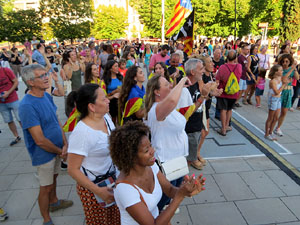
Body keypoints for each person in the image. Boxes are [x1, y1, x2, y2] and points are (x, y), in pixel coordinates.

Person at [111, 120, 206, 225]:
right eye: (146, 150)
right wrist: (180, 195)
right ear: (130, 157)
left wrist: (187, 190)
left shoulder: (150, 166)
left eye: (150, 146)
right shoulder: (125, 189)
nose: (153, 151)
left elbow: (169, 189)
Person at [19, 64, 73, 225]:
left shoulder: (46, 95)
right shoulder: (27, 105)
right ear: (30, 82)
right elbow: (39, 139)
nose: (46, 78)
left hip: (57, 149)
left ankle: (54, 202)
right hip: (44, 154)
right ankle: (46, 219)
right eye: (41, 76)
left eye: (46, 74)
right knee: (45, 187)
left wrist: (64, 142)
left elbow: (56, 121)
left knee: (54, 179)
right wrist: (59, 151)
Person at [67, 83, 120, 225]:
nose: (108, 100)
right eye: (103, 99)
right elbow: (72, 169)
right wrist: (98, 191)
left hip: (112, 180)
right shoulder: (82, 133)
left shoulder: (106, 117)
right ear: (91, 106)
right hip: (94, 189)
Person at [216, 50, 242, 136]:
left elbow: (217, 79)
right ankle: (227, 125)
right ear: (235, 58)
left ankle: (223, 129)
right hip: (234, 93)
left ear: (226, 57)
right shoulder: (239, 67)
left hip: (223, 92)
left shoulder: (222, 67)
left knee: (223, 109)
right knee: (229, 109)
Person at [274, 54, 299, 136]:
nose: (285, 63)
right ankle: (271, 127)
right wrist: (291, 69)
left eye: (287, 61)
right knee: (276, 112)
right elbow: (284, 78)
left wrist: (294, 69)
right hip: (280, 92)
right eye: (283, 61)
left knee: (284, 112)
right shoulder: (280, 69)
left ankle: (278, 128)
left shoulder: (292, 69)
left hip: (288, 92)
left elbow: (297, 78)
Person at [265, 65, 288, 141]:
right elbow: (277, 92)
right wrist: (284, 84)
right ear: (276, 72)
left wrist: (293, 67)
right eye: (280, 70)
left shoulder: (280, 78)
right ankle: (267, 134)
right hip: (273, 99)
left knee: (276, 118)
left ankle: (271, 132)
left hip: (278, 99)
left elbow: (286, 76)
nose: (282, 71)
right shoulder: (272, 81)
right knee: (270, 118)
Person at [0, 64, 22, 146]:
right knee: (8, 120)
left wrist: (8, 92)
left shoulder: (6, 70)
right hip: (1, 102)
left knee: (20, 118)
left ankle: (29, 135)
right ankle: (16, 136)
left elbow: (16, 82)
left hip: (12, 98)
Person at [102, 60, 123, 124]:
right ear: (110, 68)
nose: (117, 68)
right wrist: (114, 92)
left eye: (118, 66)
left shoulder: (120, 77)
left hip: (120, 100)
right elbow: (104, 95)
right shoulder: (105, 80)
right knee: (113, 120)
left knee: (121, 119)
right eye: (116, 66)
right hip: (111, 102)